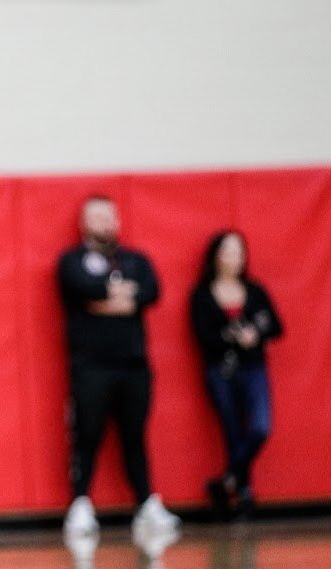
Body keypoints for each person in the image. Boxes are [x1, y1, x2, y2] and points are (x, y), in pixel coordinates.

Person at [56, 197, 178, 545]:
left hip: (133, 366)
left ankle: (146, 503)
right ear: (84, 223)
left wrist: (104, 300)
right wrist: (116, 295)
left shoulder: (136, 260)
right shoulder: (71, 261)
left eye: (109, 216)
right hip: (91, 367)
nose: (104, 222)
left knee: (134, 435)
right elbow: (82, 288)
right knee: (87, 434)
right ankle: (80, 504)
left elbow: (150, 291)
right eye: (96, 216)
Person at [189, 231, 283, 519]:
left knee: (260, 427)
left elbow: (275, 326)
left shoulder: (255, 291)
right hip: (221, 370)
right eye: (228, 251)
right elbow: (203, 335)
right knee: (232, 431)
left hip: (253, 367)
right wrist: (230, 337)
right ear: (215, 255)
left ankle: (227, 481)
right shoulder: (202, 294)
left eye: (239, 251)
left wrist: (255, 335)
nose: (234, 257)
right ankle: (244, 495)